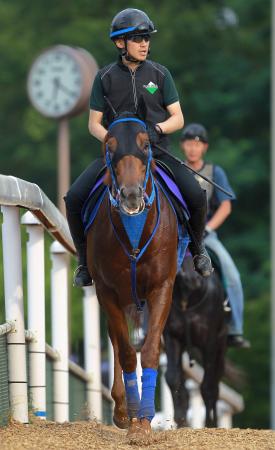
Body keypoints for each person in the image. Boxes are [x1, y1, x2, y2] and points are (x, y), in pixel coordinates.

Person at [64, 8, 213, 287]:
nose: (145, 43)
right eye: (138, 38)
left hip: (156, 152)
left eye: (147, 38)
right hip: (117, 157)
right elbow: (93, 124)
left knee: (196, 194)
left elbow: (177, 118)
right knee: (73, 198)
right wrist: (114, 142)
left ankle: (198, 250)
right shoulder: (104, 77)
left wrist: (157, 130)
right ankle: (84, 263)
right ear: (120, 43)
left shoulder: (159, 74)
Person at [180, 123, 250, 348]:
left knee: (232, 274)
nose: (192, 149)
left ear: (205, 148)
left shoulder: (215, 172)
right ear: (183, 146)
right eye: (189, 144)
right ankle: (144, 326)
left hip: (206, 236)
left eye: (197, 145)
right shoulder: (176, 169)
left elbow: (226, 206)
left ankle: (235, 328)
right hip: (179, 235)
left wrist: (209, 228)